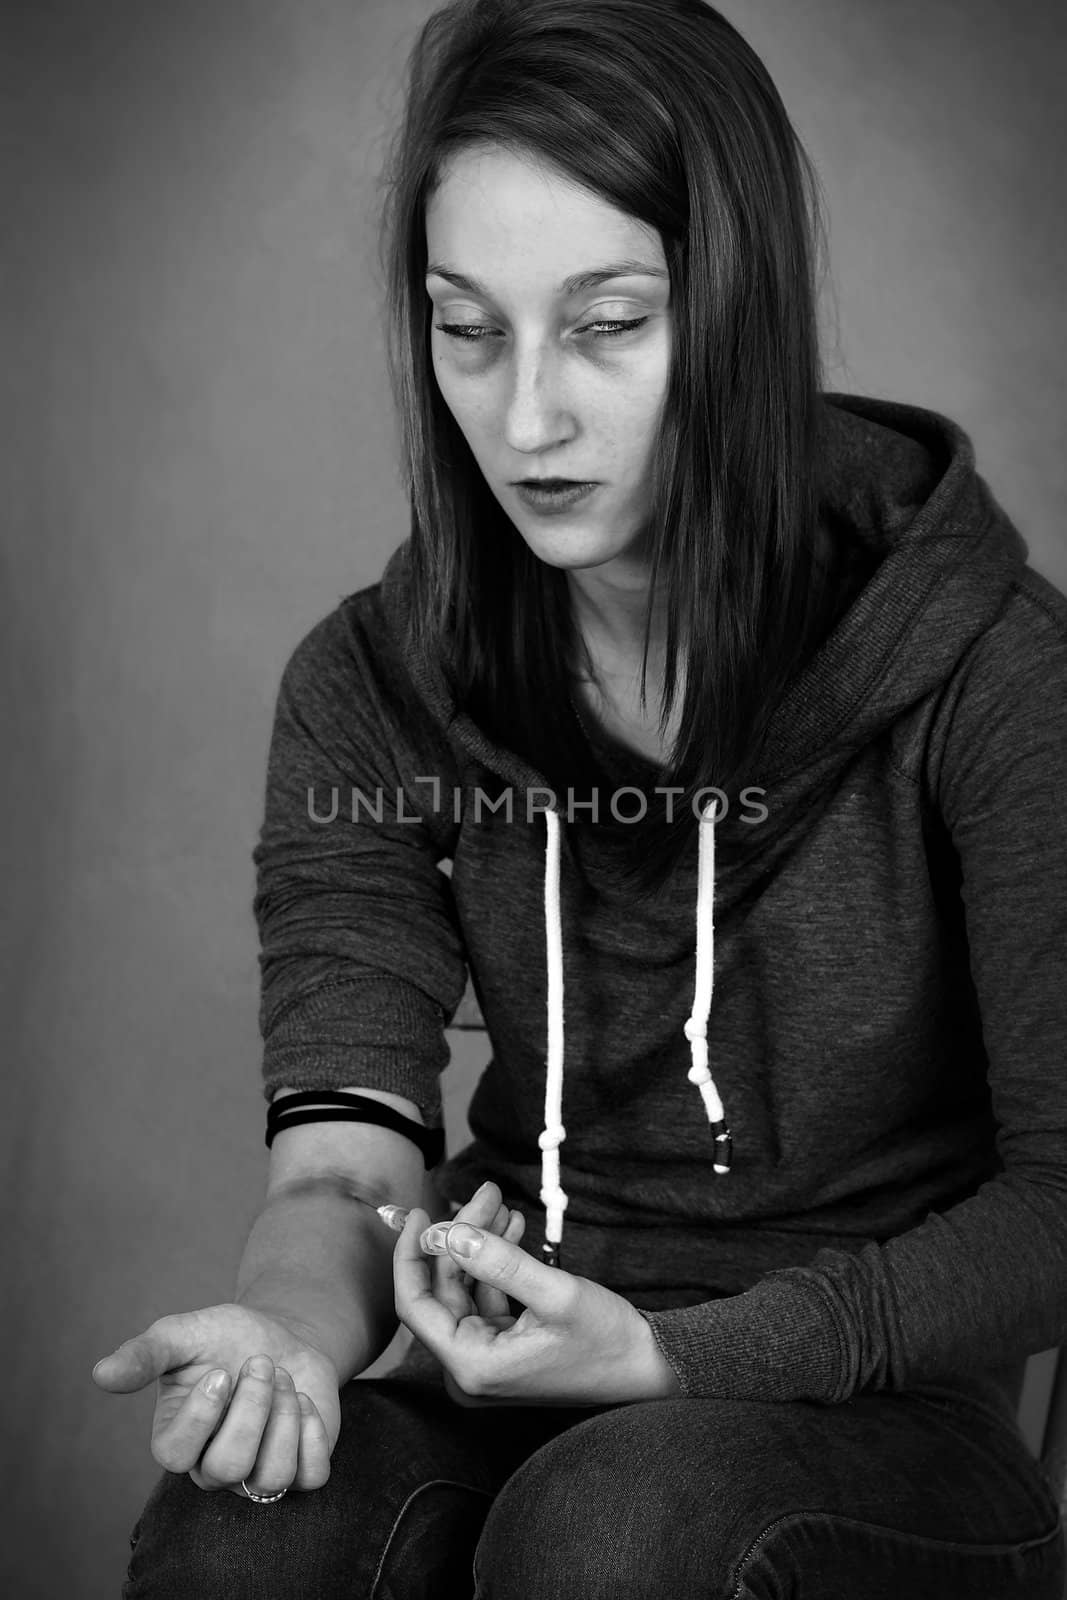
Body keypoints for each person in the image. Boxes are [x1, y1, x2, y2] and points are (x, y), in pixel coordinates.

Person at [92, 0, 1067, 1594]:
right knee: (243, 1539)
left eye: (606, 324)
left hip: (874, 1398)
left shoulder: (997, 677)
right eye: (467, 329)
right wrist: (283, 1335)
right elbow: (346, 1160)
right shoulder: (368, 686)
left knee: (618, 1528)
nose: (527, 417)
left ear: (737, 314)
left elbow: (1062, 1205)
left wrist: (677, 1361)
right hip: (518, 1347)